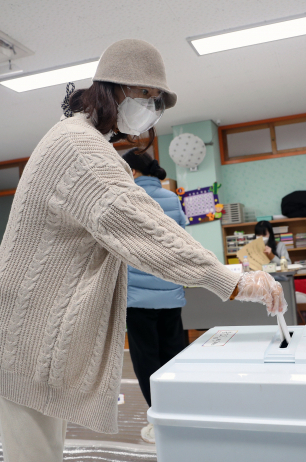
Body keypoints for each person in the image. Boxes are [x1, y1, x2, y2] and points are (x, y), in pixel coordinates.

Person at [0, 39, 286, 462]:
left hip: (31, 326)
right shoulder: (81, 148)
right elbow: (148, 230)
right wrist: (231, 280)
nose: (151, 109)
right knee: (34, 455)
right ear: (116, 89)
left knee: (43, 449)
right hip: (27, 332)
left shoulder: (81, 139)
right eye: (147, 96)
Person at [121, 148, 187, 444]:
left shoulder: (125, 199)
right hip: (170, 294)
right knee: (173, 356)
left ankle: (159, 418)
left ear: (132, 172)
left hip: (138, 298)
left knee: (146, 360)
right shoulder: (171, 198)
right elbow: (184, 240)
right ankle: (179, 413)